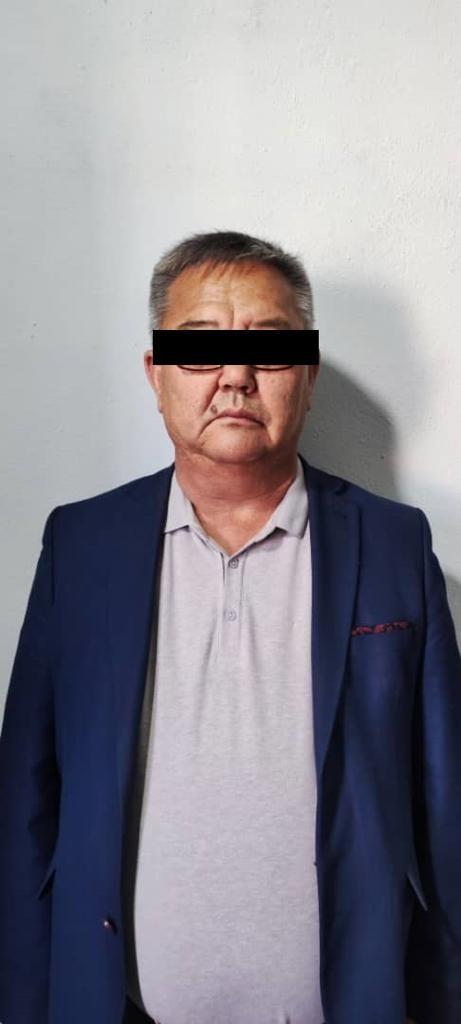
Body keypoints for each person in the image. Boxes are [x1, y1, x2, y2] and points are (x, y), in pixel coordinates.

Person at [0, 229, 460, 1024]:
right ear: (156, 375)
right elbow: (26, 806)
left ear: (307, 375)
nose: (236, 376)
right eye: (200, 347)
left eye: (270, 349)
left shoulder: (393, 545)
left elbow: (445, 806)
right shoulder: (80, 546)